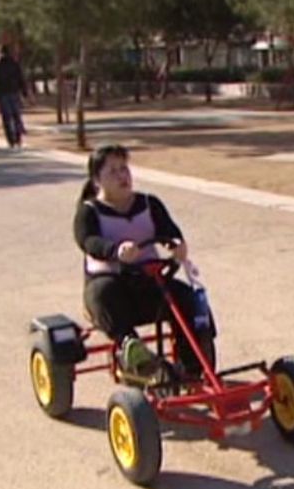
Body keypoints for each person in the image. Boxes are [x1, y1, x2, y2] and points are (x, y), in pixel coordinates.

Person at [73, 144, 216, 381]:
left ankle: (191, 367)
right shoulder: (90, 211)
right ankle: (130, 346)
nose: (122, 176)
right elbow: (88, 240)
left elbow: (169, 229)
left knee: (187, 298)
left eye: (124, 169)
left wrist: (177, 244)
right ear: (97, 180)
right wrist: (115, 250)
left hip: (149, 282)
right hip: (110, 287)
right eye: (113, 171)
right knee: (102, 292)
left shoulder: (149, 204)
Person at [0, 45, 28, 149]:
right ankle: (18, 138)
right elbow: (21, 78)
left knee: (7, 118)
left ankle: (11, 140)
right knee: (16, 115)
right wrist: (24, 91)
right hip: (14, 92)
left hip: (2, 94)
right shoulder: (14, 63)